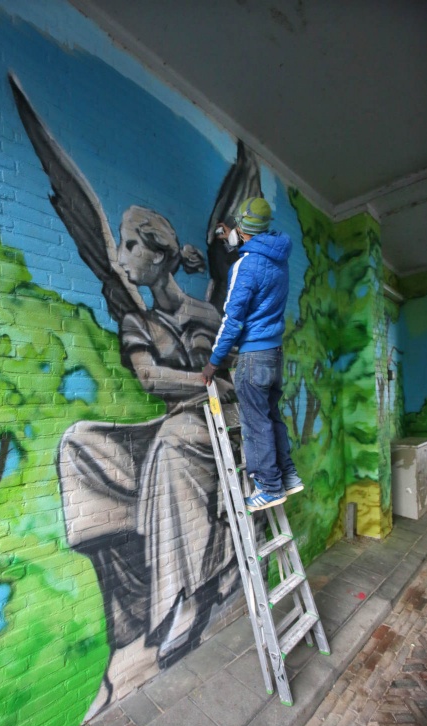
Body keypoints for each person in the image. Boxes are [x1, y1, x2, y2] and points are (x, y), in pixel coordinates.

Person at [59, 206, 237, 667]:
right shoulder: (137, 323)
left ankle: (189, 593)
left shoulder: (208, 314)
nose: (120, 257)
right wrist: (204, 381)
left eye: (130, 245)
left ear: (159, 256)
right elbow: (151, 379)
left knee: (173, 442)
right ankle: (129, 599)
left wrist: (217, 387)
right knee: (79, 444)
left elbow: (235, 378)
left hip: (217, 423)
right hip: (180, 417)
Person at [202, 197, 303, 511]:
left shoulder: (244, 266)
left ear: (243, 228)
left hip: (253, 357)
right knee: (272, 417)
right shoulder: (278, 256)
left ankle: (270, 487)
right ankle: (288, 475)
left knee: (255, 423)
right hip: (274, 354)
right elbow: (254, 261)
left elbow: (233, 319)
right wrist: (233, 241)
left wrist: (213, 361)